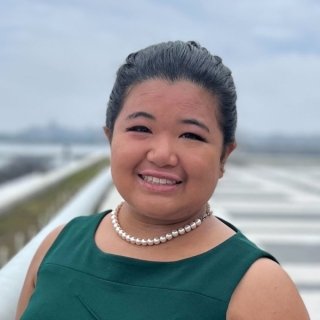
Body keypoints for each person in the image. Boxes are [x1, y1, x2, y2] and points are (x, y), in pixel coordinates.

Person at [16, 41, 310, 319]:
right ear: (110, 138)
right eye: (141, 128)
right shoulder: (57, 246)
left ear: (224, 156)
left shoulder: (258, 286)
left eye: (191, 135)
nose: (162, 155)